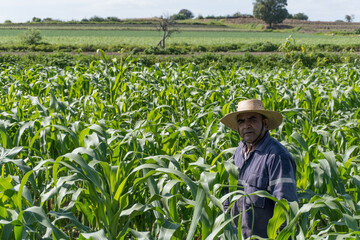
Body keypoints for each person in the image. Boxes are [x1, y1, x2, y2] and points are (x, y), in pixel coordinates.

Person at [221, 99, 298, 239]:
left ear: (265, 123)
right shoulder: (238, 153)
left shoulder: (277, 156)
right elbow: (229, 196)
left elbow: (285, 210)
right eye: (241, 121)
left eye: (252, 119)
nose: (246, 126)